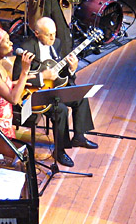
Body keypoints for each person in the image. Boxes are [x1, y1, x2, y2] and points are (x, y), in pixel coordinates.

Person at [12, 17, 97, 167]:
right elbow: (16, 79)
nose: (52, 38)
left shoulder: (56, 44)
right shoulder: (27, 48)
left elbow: (62, 73)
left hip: (55, 88)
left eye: (54, 33)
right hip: (35, 95)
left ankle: (79, 136)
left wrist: (72, 69)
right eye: (48, 35)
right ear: (37, 34)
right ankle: (60, 151)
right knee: (61, 110)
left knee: (80, 96)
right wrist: (41, 76)